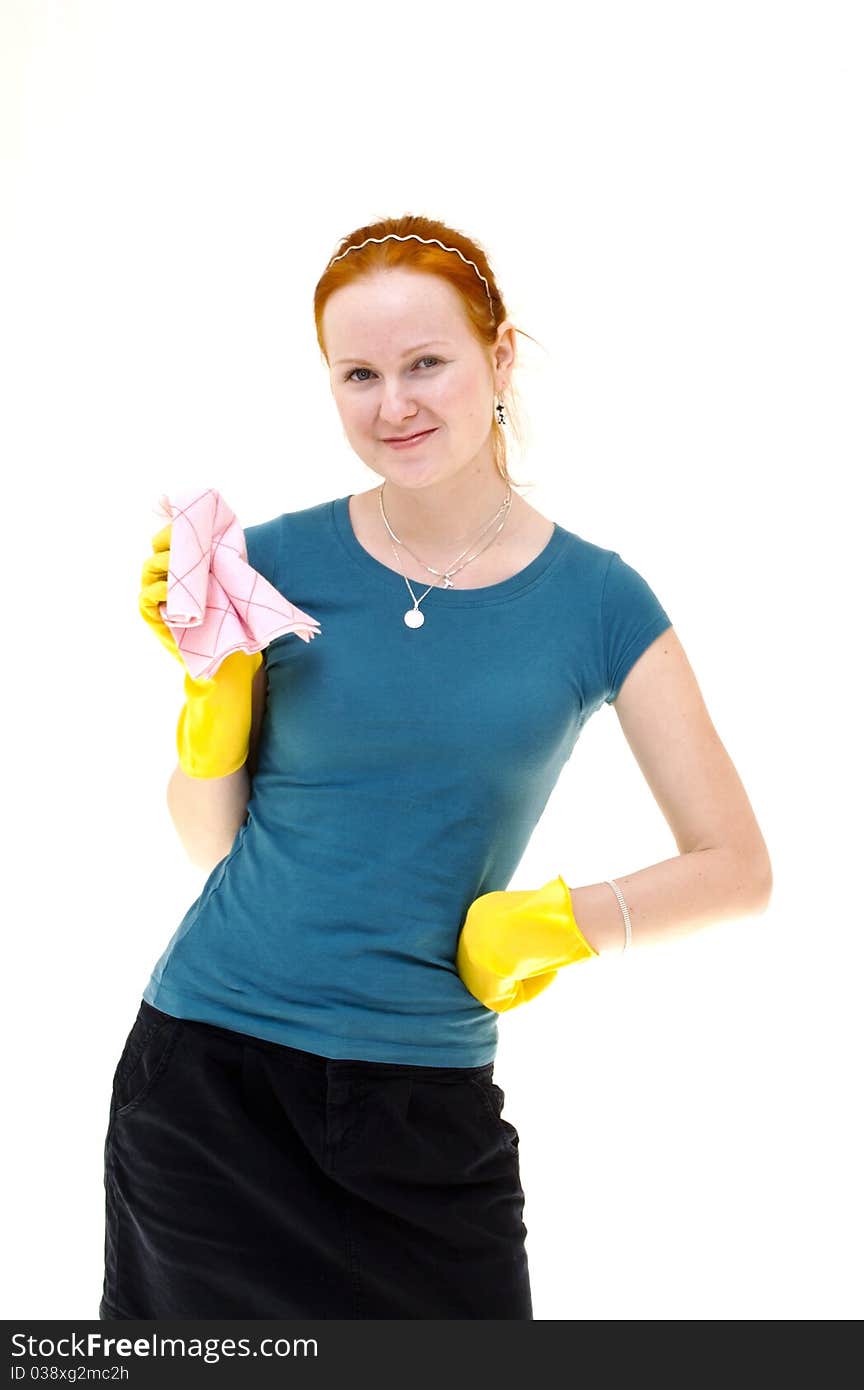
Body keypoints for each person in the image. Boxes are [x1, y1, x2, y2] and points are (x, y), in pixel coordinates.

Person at [100, 213, 773, 1321]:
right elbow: (213, 845)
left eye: (426, 363)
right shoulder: (268, 559)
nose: (393, 404)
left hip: (423, 1111)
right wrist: (210, 703)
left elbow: (737, 866)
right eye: (357, 373)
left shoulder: (601, 602)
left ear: (496, 356)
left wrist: (562, 921)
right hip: (205, 1086)